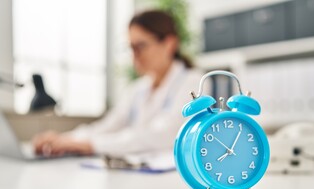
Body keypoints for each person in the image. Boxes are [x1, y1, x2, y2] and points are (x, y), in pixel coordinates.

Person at [32, 10, 205, 157]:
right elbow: (108, 126)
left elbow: (161, 136)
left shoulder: (193, 82)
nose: (134, 55)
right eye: (131, 47)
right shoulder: (138, 89)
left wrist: (90, 144)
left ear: (169, 43)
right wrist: (65, 139)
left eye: (141, 46)